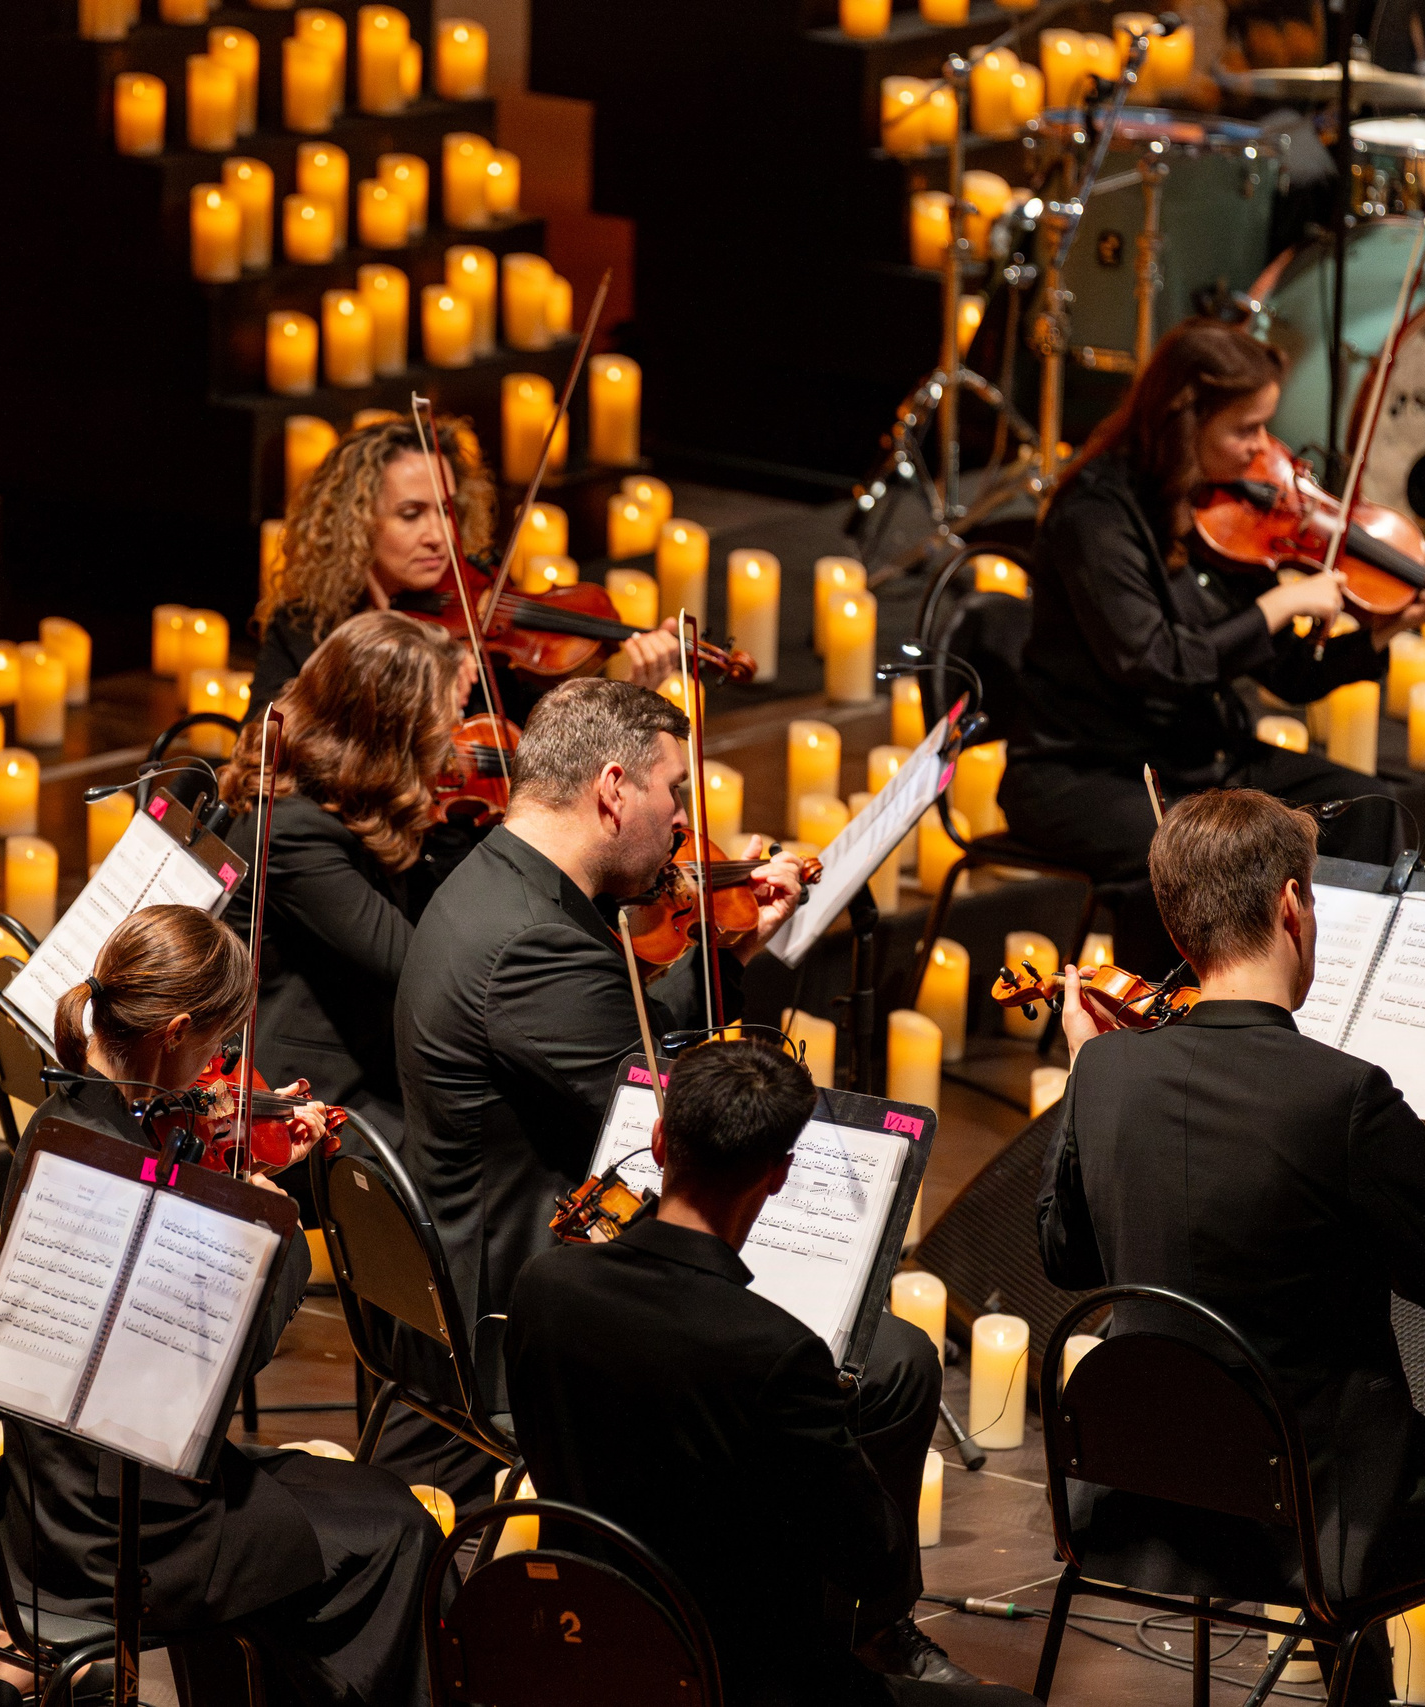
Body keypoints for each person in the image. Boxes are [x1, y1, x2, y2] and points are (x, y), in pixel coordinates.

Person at [388, 674, 983, 1690]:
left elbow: (625, 1051)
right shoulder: (532, 942)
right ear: (612, 788)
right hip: (539, 1297)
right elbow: (670, 1125)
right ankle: (831, 1628)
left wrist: (720, 938)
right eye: (673, 791)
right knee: (883, 1364)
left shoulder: (502, 884)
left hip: (542, 1252)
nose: (683, 820)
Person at [1035, 789, 1425, 1706]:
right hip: (1321, 1522)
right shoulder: (1348, 1100)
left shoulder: (1106, 1067)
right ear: (1293, 906)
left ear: (1177, 927)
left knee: (1317, 1401)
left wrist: (1086, 1078)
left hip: (1150, 1493)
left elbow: (1066, 1259)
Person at [0, 902, 438, 1707]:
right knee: (399, 1526)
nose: (221, 1068)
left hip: (36, 1500)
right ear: (173, 1030)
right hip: (135, 1535)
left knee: (350, 1505)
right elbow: (221, 1369)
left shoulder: (63, 1122)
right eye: (217, 1044)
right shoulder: (134, 1172)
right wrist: (275, 1230)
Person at [506, 1040, 999, 1705]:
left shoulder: (542, 1285)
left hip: (577, 1640)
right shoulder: (777, 1352)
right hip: (728, 1672)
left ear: (657, 1140)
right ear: (778, 1175)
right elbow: (871, 1557)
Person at [997, 320, 1425, 977]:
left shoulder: (1222, 513)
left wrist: (1388, 627)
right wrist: (1276, 604)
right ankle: (1174, 1043)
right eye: (1244, 429)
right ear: (1182, 421)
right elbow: (1153, 662)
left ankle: (1334, 1007)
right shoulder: (1096, 516)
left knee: (1368, 812)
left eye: (1265, 428)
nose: (1261, 450)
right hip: (1089, 771)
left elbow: (1290, 676)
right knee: (1188, 861)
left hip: (1198, 756)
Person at [220, 610, 470, 1148]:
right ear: (394, 735)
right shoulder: (290, 833)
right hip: (295, 1105)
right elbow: (414, 963)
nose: (453, 744)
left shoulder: (338, 800)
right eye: (443, 723)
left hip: (356, 1056)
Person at [252, 414, 676, 716]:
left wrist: (634, 697)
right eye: (411, 513)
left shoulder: (486, 613)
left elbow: (550, 758)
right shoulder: (306, 625)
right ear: (357, 523)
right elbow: (262, 743)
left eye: (445, 510)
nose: (439, 536)